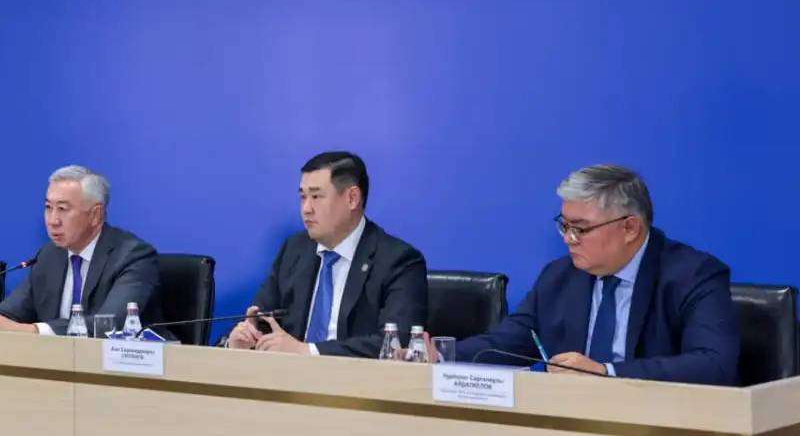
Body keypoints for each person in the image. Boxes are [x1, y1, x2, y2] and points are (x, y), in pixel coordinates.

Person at [456, 164, 739, 385]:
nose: (568, 239)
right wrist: (443, 354)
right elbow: (506, 343)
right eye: (564, 226)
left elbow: (713, 364)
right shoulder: (559, 276)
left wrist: (605, 372)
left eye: (580, 228)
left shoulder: (693, 275)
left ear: (630, 228)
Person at [227, 151, 428, 357]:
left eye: (316, 197)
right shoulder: (294, 250)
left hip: (354, 377)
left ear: (352, 198)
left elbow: (396, 344)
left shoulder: (399, 261)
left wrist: (308, 351)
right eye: (303, 197)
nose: (306, 209)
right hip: (286, 374)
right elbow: (260, 321)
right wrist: (241, 341)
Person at [0, 165, 167, 337]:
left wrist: (34, 330)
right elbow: (10, 312)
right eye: (48, 208)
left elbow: (110, 324)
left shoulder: (133, 256)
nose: (52, 220)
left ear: (95, 215)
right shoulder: (49, 256)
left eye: (62, 209)